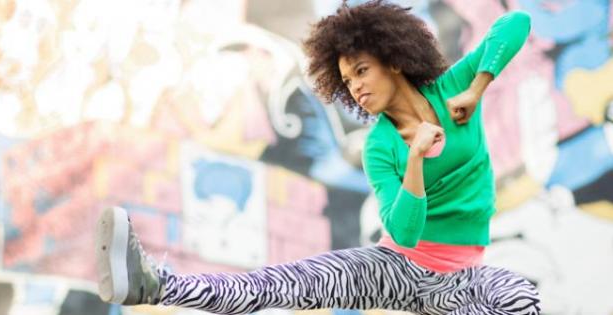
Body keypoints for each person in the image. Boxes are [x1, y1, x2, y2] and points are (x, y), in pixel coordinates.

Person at [95, 1, 541, 314]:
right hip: (396, 269)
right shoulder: (380, 146)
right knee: (290, 283)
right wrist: (416, 158)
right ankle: (154, 283)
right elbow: (404, 233)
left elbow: (516, 22)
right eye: (347, 81)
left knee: (520, 297)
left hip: (465, 278)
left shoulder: (452, 89)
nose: (356, 87)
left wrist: (477, 87)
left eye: (362, 70)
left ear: (396, 60)